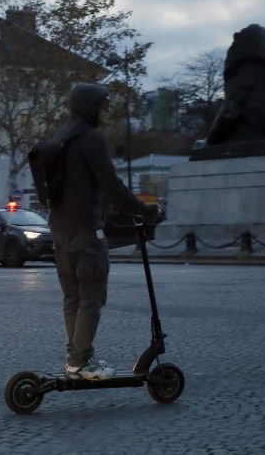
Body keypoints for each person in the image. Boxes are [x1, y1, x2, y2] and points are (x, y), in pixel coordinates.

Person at [43, 83, 161, 381]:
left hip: (60, 229)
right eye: (101, 106)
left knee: (73, 297)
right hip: (86, 230)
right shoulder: (91, 138)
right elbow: (112, 187)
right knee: (92, 297)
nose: (104, 113)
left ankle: (74, 361)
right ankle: (82, 362)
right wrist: (146, 211)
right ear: (89, 106)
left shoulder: (61, 135)